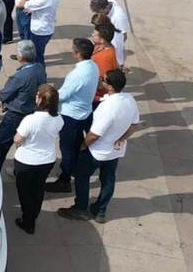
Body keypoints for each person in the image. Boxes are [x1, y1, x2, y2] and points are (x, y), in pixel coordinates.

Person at [58, 69, 140, 224]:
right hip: (115, 151)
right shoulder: (129, 99)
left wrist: (83, 145)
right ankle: (101, 209)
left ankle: (81, 208)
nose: (101, 80)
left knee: (82, 176)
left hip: (98, 150)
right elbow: (134, 124)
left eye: (104, 79)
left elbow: (95, 134)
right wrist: (121, 138)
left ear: (109, 87)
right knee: (108, 179)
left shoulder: (108, 107)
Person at [46, 38, 99, 194]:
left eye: (73, 49)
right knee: (76, 145)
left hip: (71, 115)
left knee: (67, 148)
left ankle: (65, 179)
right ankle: (74, 169)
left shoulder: (78, 74)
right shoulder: (93, 67)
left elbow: (63, 95)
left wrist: (50, 93)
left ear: (78, 53)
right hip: (83, 112)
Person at [12, 84, 64, 235]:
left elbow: (17, 139)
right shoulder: (59, 119)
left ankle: (28, 221)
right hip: (47, 159)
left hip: (27, 160)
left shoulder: (31, 120)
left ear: (40, 100)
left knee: (24, 191)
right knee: (38, 188)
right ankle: (33, 215)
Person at [0, 40, 46, 169]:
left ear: (20, 57)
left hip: (15, 115)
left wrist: (3, 98)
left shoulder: (19, 77)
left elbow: (5, 93)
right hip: (32, 112)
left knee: (1, 146)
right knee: (25, 145)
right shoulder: (39, 68)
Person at [17, 0, 60, 75]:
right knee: (37, 53)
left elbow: (20, 4)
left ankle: (40, 77)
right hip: (47, 28)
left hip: (40, 31)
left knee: (37, 56)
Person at [90, 0, 130, 72]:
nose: (98, 14)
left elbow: (124, 36)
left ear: (107, 7)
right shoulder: (108, 1)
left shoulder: (119, 17)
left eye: (100, 12)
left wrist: (109, 49)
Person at [91, 23, 120, 107]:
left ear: (102, 40)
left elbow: (101, 83)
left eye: (95, 35)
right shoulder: (107, 47)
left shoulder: (104, 59)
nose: (92, 35)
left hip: (97, 97)